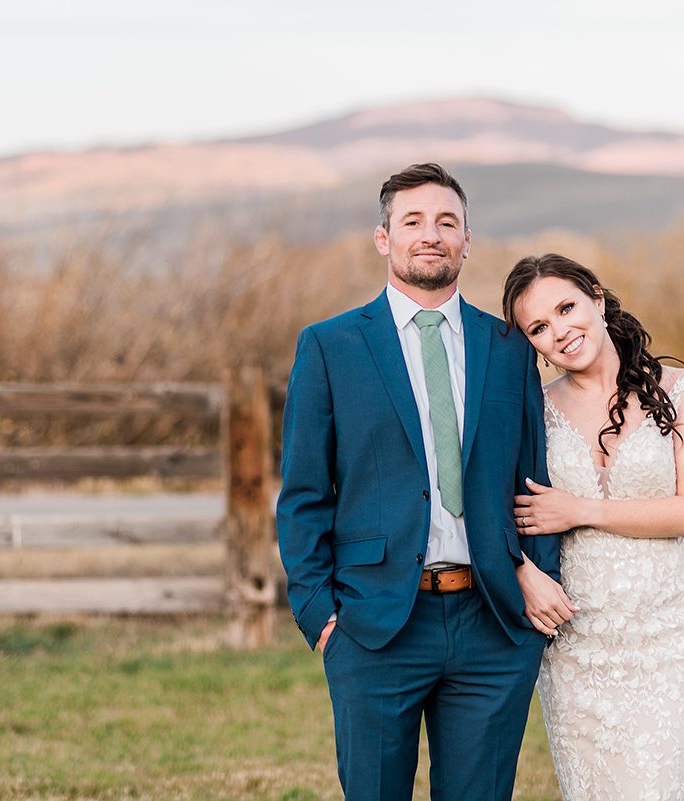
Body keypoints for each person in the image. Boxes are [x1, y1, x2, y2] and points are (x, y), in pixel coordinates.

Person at [277, 164, 572, 801]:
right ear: (384, 238)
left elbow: (533, 474)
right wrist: (321, 616)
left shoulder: (511, 348)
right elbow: (302, 495)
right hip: (374, 625)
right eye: (412, 221)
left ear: (468, 240)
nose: (430, 234)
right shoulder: (329, 347)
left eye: (447, 222)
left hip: (494, 625)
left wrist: (535, 584)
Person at [502, 254, 684, 801]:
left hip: (672, 634)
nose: (560, 332)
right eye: (539, 328)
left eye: (566, 307)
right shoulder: (536, 409)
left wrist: (580, 509)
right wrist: (523, 571)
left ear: (597, 299)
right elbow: (498, 510)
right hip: (578, 643)